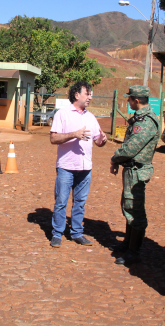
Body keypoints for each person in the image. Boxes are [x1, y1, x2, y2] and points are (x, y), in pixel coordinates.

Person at [49, 81, 107, 248]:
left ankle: (76, 233)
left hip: (85, 168)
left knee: (80, 202)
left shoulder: (90, 117)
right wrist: (74, 134)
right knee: (61, 201)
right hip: (66, 166)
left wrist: (103, 140)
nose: (90, 97)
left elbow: (98, 140)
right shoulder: (63, 114)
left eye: (90, 94)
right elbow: (53, 138)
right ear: (76, 95)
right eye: (87, 94)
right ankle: (57, 234)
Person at [109, 85, 160, 265]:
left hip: (138, 171)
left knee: (135, 209)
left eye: (130, 99)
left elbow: (132, 147)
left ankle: (134, 251)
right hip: (131, 169)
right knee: (129, 206)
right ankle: (128, 243)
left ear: (136, 100)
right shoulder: (140, 118)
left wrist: (115, 157)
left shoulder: (146, 121)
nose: (128, 101)